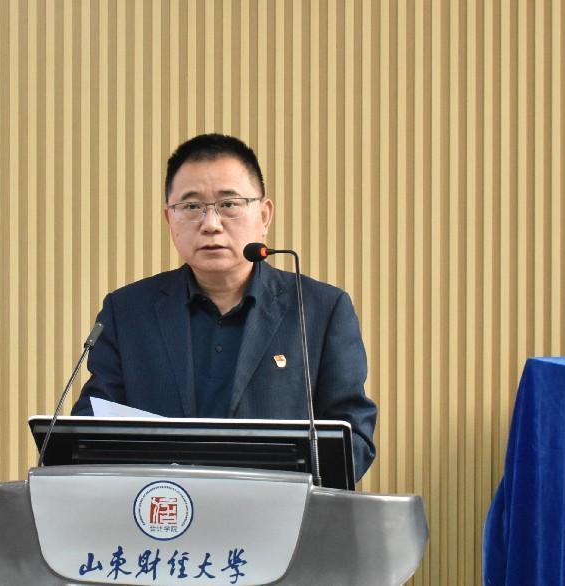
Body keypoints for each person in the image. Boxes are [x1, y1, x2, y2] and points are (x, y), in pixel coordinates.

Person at [71, 134, 377, 480]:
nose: (211, 224)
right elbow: (88, 433)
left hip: (279, 510)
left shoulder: (322, 311)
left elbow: (354, 439)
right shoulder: (127, 312)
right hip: (162, 509)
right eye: (191, 207)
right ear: (170, 220)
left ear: (264, 215)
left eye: (229, 204)